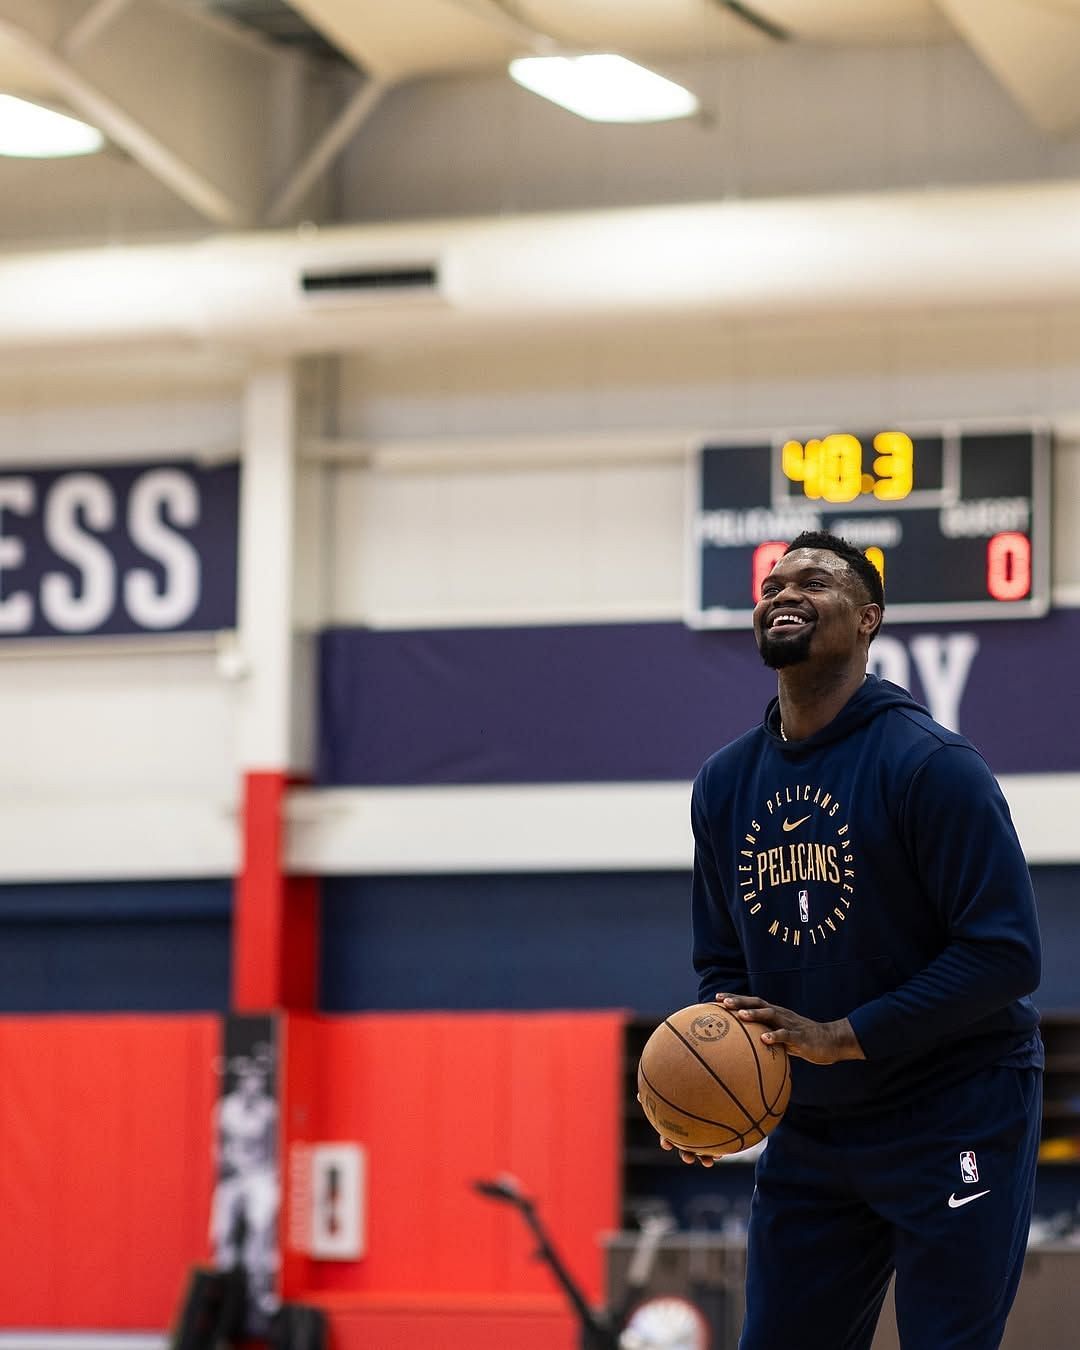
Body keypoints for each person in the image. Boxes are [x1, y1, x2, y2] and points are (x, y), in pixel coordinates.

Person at [678, 529, 1043, 1350]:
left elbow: (1005, 954)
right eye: (773, 584)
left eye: (815, 581)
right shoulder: (725, 782)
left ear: (869, 619)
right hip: (815, 1129)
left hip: (955, 1110)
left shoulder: (932, 765)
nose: (784, 593)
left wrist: (845, 1036)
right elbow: (722, 966)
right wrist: (710, 1087)